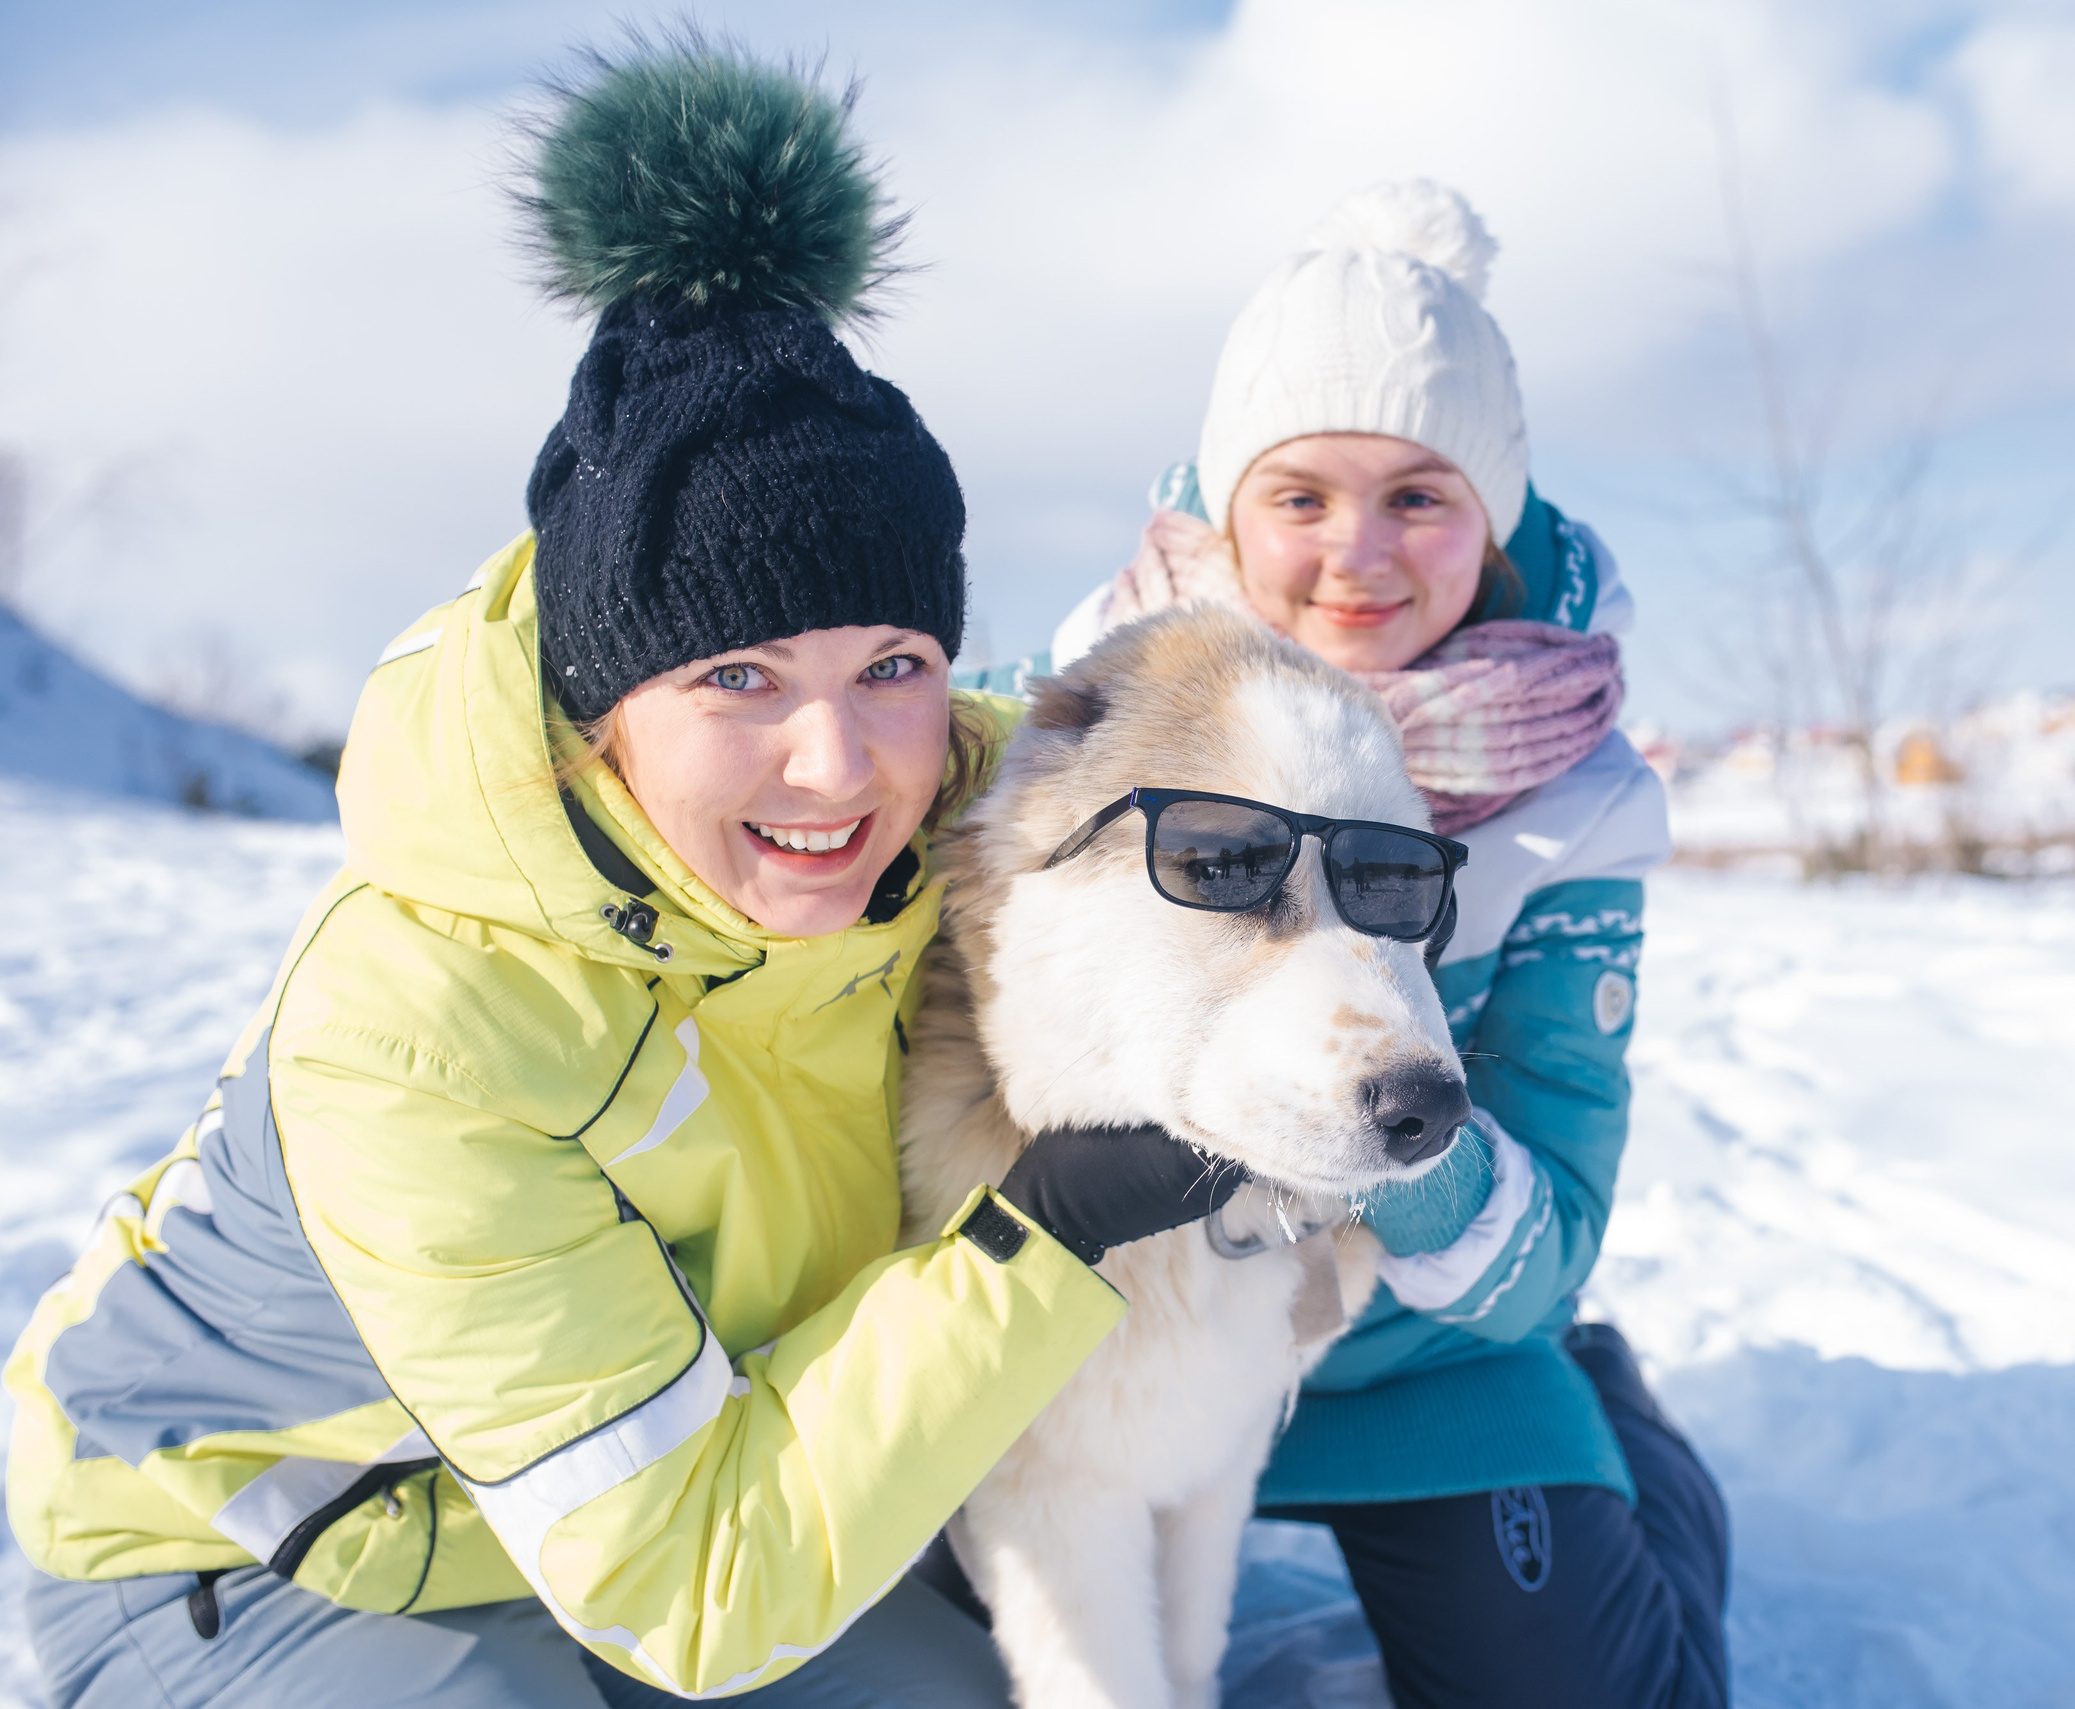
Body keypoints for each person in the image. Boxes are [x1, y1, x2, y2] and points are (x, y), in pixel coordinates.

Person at [1, 41, 1242, 1708]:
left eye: (893, 662)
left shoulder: (985, 819)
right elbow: (698, 1592)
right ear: (604, 706)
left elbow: (1226, 796)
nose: (840, 763)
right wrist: (1040, 1238)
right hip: (278, 1543)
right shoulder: (425, 1026)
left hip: (683, 1457)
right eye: (738, 678)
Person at [1044, 182, 1734, 1709]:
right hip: (1113, 1359)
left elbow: (1542, 1235)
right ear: (1226, 512)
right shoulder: (1087, 715)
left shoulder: (1575, 801)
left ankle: (1636, 1445)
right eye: (1299, 495)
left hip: (1422, 1366)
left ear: (1490, 520)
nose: (1355, 554)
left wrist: (1370, 1110)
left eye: (1418, 494)